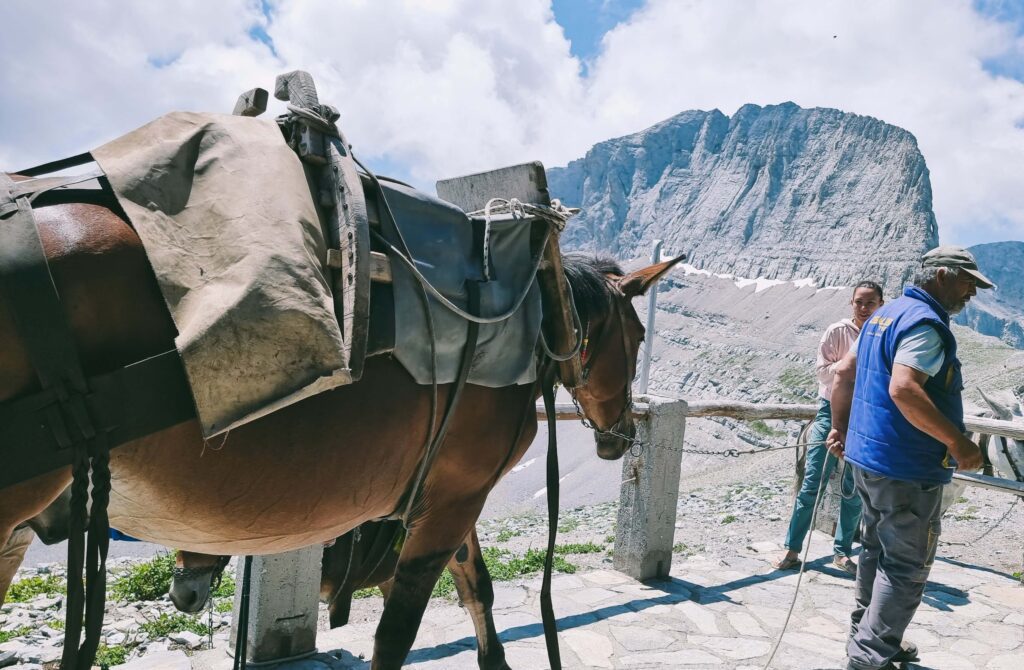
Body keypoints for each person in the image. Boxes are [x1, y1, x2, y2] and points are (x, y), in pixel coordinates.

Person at [826, 246, 990, 670]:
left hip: (867, 461)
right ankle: (866, 660)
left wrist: (841, 429)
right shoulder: (925, 323)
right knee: (905, 567)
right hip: (906, 467)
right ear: (941, 275)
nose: (972, 292)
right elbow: (903, 388)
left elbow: (842, 372)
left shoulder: (884, 315)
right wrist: (959, 443)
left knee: (875, 552)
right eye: (968, 281)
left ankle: (870, 639)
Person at [774, 281, 884, 575]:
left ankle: (842, 552)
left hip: (864, 415)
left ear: (880, 305)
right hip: (829, 412)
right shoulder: (837, 331)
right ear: (851, 303)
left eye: (870, 303)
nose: (863, 308)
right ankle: (792, 549)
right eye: (859, 302)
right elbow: (823, 374)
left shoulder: (883, 336)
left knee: (853, 488)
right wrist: (850, 369)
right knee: (813, 482)